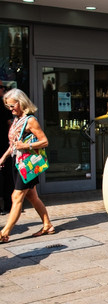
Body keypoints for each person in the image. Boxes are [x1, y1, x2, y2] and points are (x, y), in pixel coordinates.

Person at [0, 89, 55, 243]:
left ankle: (4, 233)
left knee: (15, 197)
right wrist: (3, 158)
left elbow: (44, 141)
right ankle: (47, 225)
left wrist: (26, 145)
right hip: (17, 163)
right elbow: (13, 145)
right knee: (32, 196)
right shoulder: (17, 120)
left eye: (12, 106)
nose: (10, 109)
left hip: (28, 165)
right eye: (8, 107)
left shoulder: (30, 120)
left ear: (20, 102)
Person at [0, 81, 14, 215]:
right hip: (4, 145)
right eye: (1, 87)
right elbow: (9, 123)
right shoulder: (2, 106)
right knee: (7, 176)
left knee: (7, 176)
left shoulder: (3, 106)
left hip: (5, 145)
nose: (3, 89)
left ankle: (11, 205)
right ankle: (10, 205)